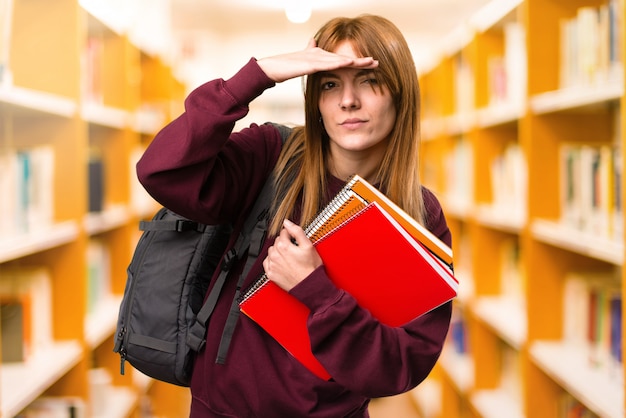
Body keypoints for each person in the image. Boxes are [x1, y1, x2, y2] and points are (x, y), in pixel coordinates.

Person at [137, 14, 453, 418]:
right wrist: (257, 76)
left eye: (369, 82)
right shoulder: (271, 155)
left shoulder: (418, 214)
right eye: (330, 85)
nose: (348, 101)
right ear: (316, 101)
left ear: (401, 94)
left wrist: (315, 290)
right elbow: (161, 171)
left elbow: (402, 365)